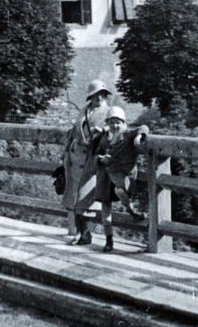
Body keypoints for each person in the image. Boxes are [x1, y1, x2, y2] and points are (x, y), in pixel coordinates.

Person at [88, 106, 149, 253]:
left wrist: (140, 137)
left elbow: (144, 127)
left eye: (118, 122)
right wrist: (100, 159)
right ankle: (109, 240)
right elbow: (95, 155)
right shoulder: (103, 138)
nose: (115, 126)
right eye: (111, 122)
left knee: (120, 190)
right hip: (105, 175)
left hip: (122, 175)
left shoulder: (128, 135)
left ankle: (130, 209)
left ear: (123, 123)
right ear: (107, 123)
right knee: (105, 206)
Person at [60, 79, 111, 245]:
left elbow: (117, 129)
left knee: (86, 198)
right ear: (90, 97)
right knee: (74, 196)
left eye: (102, 95)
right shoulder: (84, 110)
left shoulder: (108, 112)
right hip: (75, 158)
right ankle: (81, 234)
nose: (99, 98)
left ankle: (86, 235)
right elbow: (74, 131)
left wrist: (103, 130)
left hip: (91, 158)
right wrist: (65, 151)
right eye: (96, 95)